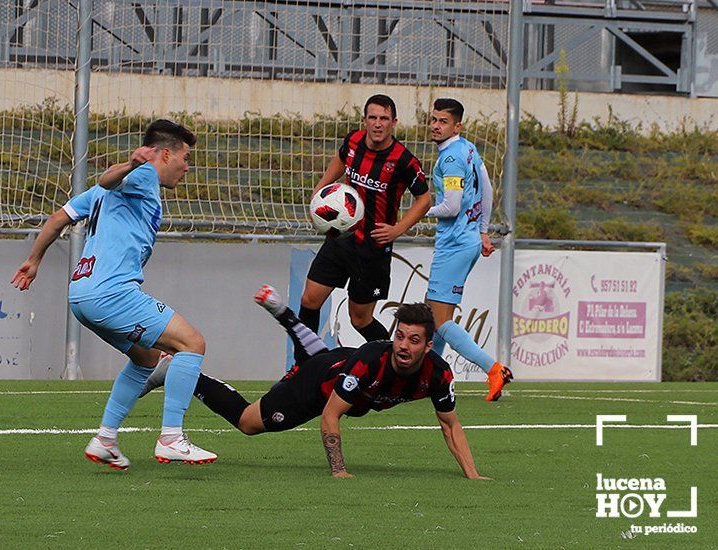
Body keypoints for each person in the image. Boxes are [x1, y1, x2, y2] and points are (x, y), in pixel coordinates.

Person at [11, 119, 216, 470]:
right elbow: (110, 177)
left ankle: (106, 438)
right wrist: (133, 164)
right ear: (166, 154)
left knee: (146, 358)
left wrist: (33, 261)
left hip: (81, 295)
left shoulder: (101, 195)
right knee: (192, 343)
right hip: (111, 294)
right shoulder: (144, 176)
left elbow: (59, 217)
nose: (187, 167)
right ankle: (171, 438)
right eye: (185, 158)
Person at [142, 285, 491, 480]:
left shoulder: (439, 373)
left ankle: (285, 315)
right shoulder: (373, 360)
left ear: (428, 346)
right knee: (249, 423)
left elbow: (451, 425)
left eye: (414, 341)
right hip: (317, 387)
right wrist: (338, 470)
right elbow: (330, 416)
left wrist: (472, 475)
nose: (404, 346)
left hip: (337, 363)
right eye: (400, 337)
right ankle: (178, 371)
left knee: (323, 356)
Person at [300, 94, 431, 344]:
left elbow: (424, 200)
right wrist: (320, 188)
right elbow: (342, 158)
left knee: (359, 319)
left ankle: (389, 365)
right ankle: (303, 364)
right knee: (309, 299)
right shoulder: (353, 140)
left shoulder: (404, 160)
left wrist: (397, 229)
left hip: (373, 247)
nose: (378, 123)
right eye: (373, 118)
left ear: (394, 122)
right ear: (365, 121)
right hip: (342, 236)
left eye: (384, 118)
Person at [426, 98, 513, 401]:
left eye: (443, 121)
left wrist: (421, 211)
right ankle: (431, 379)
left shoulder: (450, 157)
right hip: (469, 241)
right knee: (434, 315)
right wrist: (484, 230)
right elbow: (486, 188)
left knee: (438, 320)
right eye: (434, 119)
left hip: (454, 244)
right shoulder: (469, 149)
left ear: (457, 126)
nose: (436, 126)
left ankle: (493, 369)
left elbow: (450, 206)